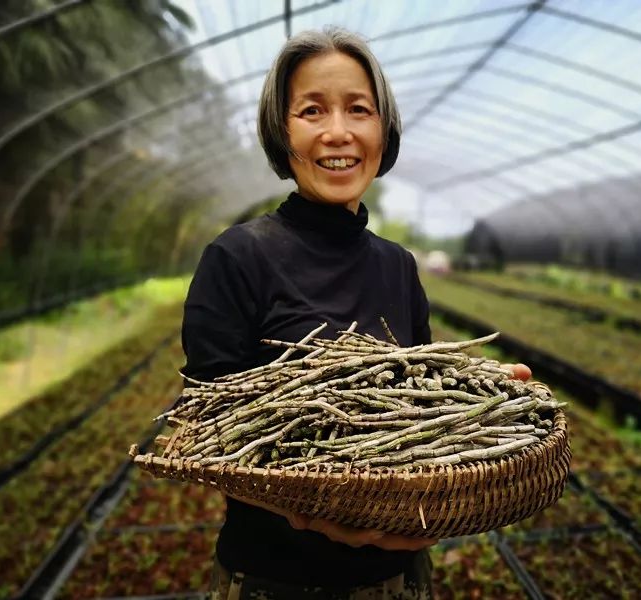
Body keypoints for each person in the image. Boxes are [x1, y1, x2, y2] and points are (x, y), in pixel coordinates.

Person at [181, 27, 531, 600]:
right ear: (281, 129)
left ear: (382, 129)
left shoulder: (398, 266)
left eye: (358, 109)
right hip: (275, 580)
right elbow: (208, 430)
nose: (338, 132)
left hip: (398, 579)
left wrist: (481, 396)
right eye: (311, 110)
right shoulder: (237, 257)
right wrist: (309, 514)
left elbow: (415, 403)